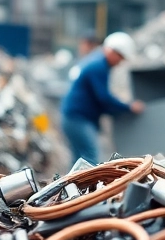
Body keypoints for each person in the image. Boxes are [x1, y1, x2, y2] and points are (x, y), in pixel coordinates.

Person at [61, 32, 145, 166]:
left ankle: (70, 186)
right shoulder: (98, 65)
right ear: (112, 52)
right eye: (120, 57)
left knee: (78, 160)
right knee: (91, 157)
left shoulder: (98, 61)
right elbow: (104, 98)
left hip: (73, 117)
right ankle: (89, 187)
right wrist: (129, 107)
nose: (120, 62)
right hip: (78, 118)